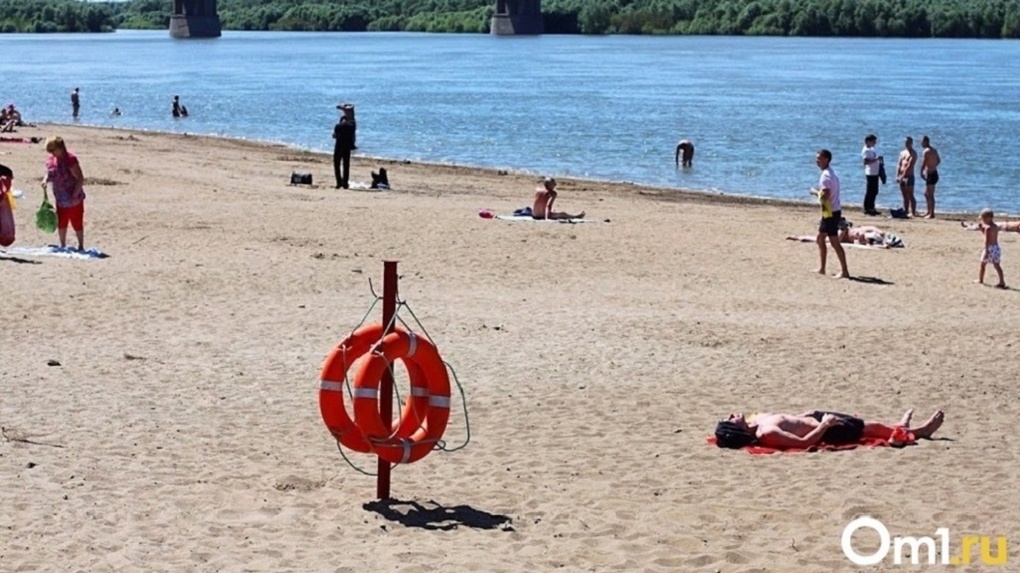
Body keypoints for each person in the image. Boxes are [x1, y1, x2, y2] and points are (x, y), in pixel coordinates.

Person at [714, 409, 945, 450]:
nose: (732, 415)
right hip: (827, 429)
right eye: (730, 420)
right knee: (870, 428)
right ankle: (918, 432)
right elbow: (803, 443)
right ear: (736, 430)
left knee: (871, 425)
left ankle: (902, 428)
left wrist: (807, 414)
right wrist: (825, 425)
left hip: (816, 418)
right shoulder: (766, 434)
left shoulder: (758, 420)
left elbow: (789, 420)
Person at [809, 149, 849, 278]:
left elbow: (825, 196)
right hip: (831, 211)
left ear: (826, 159)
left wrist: (815, 192)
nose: (817, 161)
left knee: (834, 242)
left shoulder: (826, 176)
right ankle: (822, 268)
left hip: (830, 212)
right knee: (820, 239)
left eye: (819, 158)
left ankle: (844, 271)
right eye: (817, 158)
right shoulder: (831, 173)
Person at [42, 136, 87, 252]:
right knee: (61, 222)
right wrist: (45, 180)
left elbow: (80, 178)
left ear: (60, 147)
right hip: (60, 197)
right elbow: (49, 173)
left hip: (73, 197)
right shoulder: (51, 160)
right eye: (50, 151)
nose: (52, 153)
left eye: (53, 150)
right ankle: (62, 244)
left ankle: (81, 245)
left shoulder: (70, 160)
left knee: (77, 221)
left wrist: (75, 194)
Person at [975, 208, 1006, 289]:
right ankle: (1002, 281)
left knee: (982, 264)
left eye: (983, 219)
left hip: (989, 248)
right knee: (997, 265)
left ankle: (980, 279)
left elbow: (987, 240)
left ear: (988, 218)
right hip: (996, 247)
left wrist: (986, 251)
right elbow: (991, 237)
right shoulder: (995, 226)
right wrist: (982, 229)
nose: (983, 221)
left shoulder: (987, 228)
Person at [332, 104, 357, 189]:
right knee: (341, 164)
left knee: (341, 164)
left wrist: (337, 129)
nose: (346, 112)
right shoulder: (348, 122)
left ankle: (342, 182)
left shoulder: (349, 123)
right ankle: (342, 182)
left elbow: (335, 134)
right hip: (343, 145)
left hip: (342, 145)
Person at [895, 136, 918, 217]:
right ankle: (906, 211)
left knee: (910, 195)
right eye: (905, 142)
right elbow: (899, 164)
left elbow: (909, 166)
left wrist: (902, 176)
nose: (906, 144)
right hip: (901, 176)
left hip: (909, 176)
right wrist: (897, 175)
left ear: (911, 143)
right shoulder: (902, 152)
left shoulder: (913, 153)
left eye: (908, 142)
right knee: (904, 195)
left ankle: (913, 212)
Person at [920, 135, 941, 219]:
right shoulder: (934, 150)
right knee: (926, 194)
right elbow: (938, 160)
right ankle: (928, 211)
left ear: (925, 142)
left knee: (930, 194)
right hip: (934, 173)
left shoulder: (926, 151)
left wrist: (922, 171)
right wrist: (933, 165)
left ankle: (932, 213)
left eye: (922, 142)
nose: (921, 144)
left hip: (931, 174)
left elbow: (924, 162)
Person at [861, 134, 882, 216]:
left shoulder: (871, 149)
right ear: (868, 141)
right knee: (870, 191)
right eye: (873, 141)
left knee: (874, 191)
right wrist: (876, 159)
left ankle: (871, 207)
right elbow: (865, 161)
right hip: (870, 173)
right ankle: (867, 208)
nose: (875, 143)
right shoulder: (866, 150)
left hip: (875, 172)